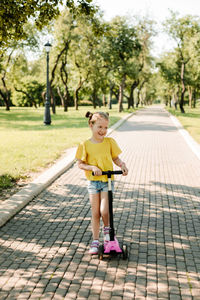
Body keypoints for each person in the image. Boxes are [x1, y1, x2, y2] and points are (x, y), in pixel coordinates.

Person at [75, 111, 128, 254]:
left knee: (105, 210)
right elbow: (80, 164)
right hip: (93, 182)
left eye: (105, 128)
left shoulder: (109, 142)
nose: (103, 131)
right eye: (100, 127)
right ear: (91, 125)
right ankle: (95, 240)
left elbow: (115, 158)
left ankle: (108, 236)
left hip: (107, 181)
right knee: (95, 213)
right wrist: (92, 167)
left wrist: (122, 165)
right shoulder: (85, 145)